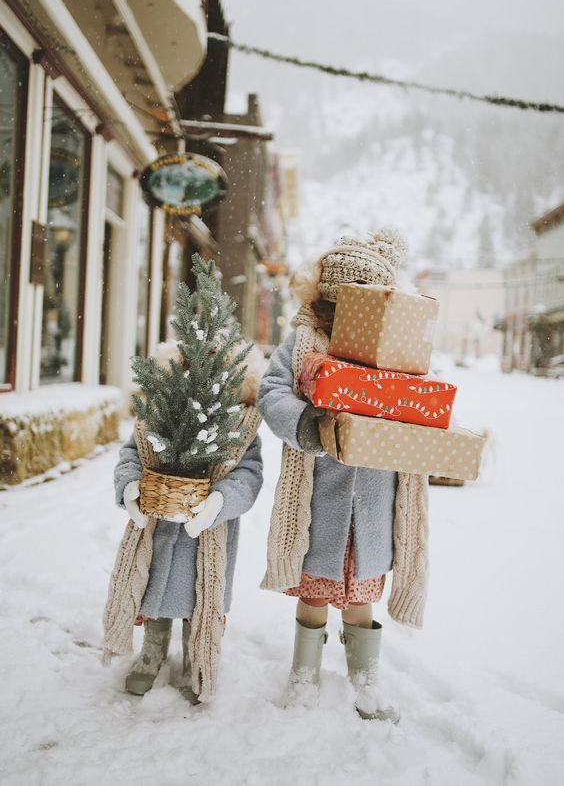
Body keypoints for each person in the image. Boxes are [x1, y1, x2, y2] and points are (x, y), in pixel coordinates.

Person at [258, 229, 429, 723]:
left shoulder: (397, 345)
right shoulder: (303, 342)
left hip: (375, 500)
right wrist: (307, 425)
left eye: (360, 303)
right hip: (320, 496)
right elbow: (272, 391)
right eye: (335, 304)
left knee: (360, 599)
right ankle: (304, 676)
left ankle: (366, 681)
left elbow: (420, 398)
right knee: (314, 592)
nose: (342, 315)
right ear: (323, 299)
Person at [109, 340, 264, 703]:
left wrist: (221, 502)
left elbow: (249, 474)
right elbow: (132, 453)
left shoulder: (239, 424)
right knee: (155, 590)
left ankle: (197, 656)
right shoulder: (157, 415)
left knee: (198, 597)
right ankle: (152, 651)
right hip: (160, 524)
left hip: (207, 533)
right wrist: (131, 486)